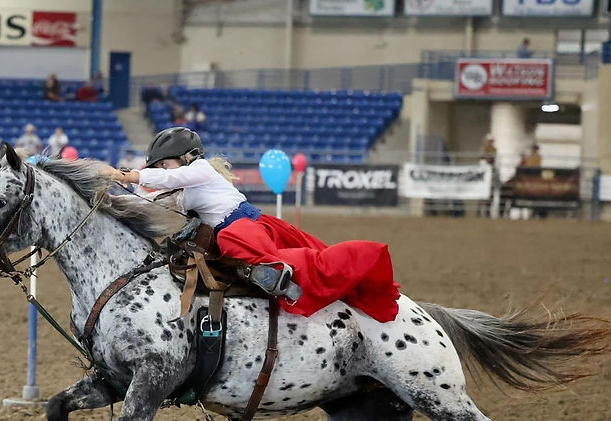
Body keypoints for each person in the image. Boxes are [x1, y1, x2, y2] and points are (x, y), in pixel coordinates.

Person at [103, 127, 400, 321]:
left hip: (241, 228)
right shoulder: (182, 188)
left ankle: (283, 282)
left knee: (258, 255)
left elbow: (169, 179)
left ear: (188, 157)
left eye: (164, 163)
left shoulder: (200, 169)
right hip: (238, 228)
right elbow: (148, 200)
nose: (161, 171)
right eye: (157, 167)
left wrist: (129, 174)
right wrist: (108, 191)